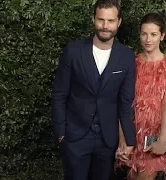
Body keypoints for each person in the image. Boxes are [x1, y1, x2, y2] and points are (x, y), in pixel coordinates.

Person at [51, 0, 136, 179]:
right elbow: (59, 94)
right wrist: (61, 132)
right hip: (75, 137)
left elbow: (125, 101)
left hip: (107, 140)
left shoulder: (127, 56)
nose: (105, 26)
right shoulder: (73, 51)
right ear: (93, 19)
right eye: (101, 20)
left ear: (119, 22)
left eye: (111, 21)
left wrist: (128, 138)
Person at [116, 12, 166, 180]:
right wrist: (123, 140)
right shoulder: (132, 62)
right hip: (132, 133)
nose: (148, 39)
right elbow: (123, 103)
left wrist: (161, 140)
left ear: (162, 36)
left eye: (153, 34)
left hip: (156, 133)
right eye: (144, 34)